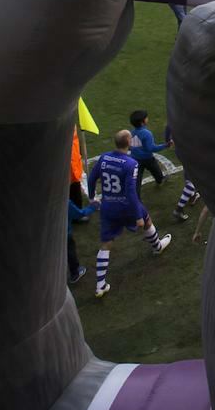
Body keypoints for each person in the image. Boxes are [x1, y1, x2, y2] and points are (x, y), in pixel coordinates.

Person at [87, 129, 172, 300]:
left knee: (106, 244)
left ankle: (100, 285)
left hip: (108, 206)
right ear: (129, 143)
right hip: (126, 205)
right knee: (147, 221)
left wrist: (91, 197)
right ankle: (157, 247)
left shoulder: (103, 158)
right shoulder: (130, 163)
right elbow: (131, 192)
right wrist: (138, 216)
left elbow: (91, 179)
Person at [128, 110, 168, 188]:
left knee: (137, 179)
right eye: (146, 118)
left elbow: (130, 146)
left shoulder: (131, 132)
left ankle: (136, 195)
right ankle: (160, 180)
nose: (147, 118)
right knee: (156, 172)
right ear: (142, 122)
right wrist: (165, 145)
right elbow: (152, 148)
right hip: (147, 159)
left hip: (135, 159)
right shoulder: (147, 134)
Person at [66, 195, 98, 285]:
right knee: (70, 251)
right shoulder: (65, 202)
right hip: (64, 234)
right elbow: (79, 214)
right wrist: (92, 207)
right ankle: (75, 273)